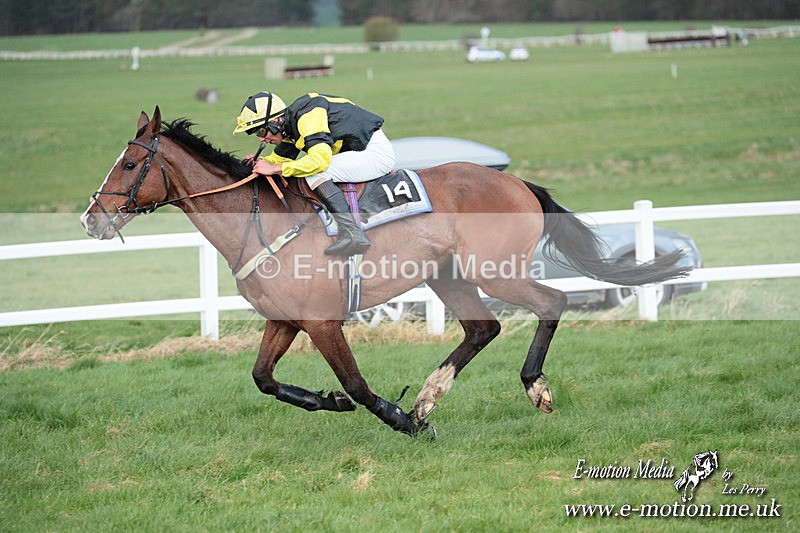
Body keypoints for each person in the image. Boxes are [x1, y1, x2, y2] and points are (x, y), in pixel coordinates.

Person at [234, 91, 395, 256]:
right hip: (358, 151)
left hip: (374, 153)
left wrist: (275, 168)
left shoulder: (307, 117)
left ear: (275, 122)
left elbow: (319, 161)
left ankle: (352, 232)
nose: (261, 139)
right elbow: (278, 159)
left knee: (315, 173)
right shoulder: (290, 124)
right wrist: (261, 162)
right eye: (256, 134)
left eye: (261, 132)